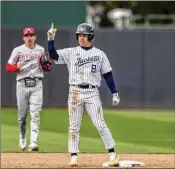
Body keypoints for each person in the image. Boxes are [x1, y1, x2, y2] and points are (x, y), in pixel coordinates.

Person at [47, 23, 120, 166]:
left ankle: (112, 154)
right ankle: (73, 156)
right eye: (79, 35)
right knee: (73, 125)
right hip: (75, 91)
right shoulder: (71, 52)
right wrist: (50, 40)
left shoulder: (99, 54)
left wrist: (115, 92)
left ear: (90, 36)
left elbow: (108, 75)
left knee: (100, 123)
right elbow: (53, 55)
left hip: (92, 92)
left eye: (84, 35)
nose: (81, 37)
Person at [6, 27, 51, 151]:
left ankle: (33, 142)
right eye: (27, 36)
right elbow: (8, 67)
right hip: (22, 84)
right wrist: (16, 67)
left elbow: (46, 68)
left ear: (35, 37)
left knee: (35, 114)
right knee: (22, 116)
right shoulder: (18, 50)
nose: (29, 38)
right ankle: (22, 137)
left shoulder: (41, 50)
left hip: (37, 84)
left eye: (31, 35)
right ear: (23, 38)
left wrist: (47, 65)